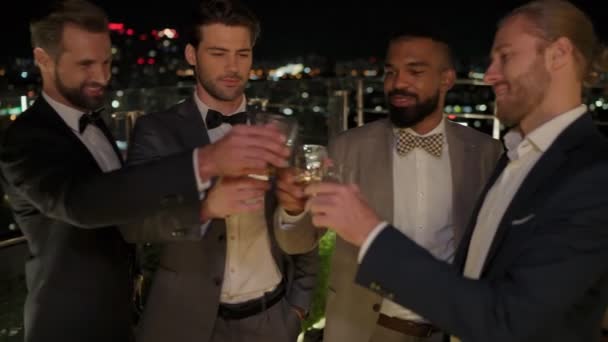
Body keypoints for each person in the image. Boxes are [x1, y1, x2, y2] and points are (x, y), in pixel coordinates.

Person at [305, 1, 608, 341]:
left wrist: (369, 233)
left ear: (559, 54)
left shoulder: (592, 176)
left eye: (505, 56)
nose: (490, 74)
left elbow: (509, 320)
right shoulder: (515, 155)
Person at [0, 1, 289, 342]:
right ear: (43, 59)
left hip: (126, 318)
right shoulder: (24, 139)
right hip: (70, 326)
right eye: (86, 64)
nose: (103, 76)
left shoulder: (95, 124)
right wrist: (206, 165)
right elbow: (81, 203)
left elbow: (130, 196)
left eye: (107, 62)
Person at [276, 28, 502, 342]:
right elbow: (300, 241)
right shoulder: (348, 147)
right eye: (391, 72)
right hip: (365, 331)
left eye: (415, 71)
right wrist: (292, 210)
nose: (398, 83)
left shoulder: (486, 153)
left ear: (447, 79)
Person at [121, 1, 317, 341]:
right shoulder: (157, 131)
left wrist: (296, 308)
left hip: (271, 320)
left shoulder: (280, 129)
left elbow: (302, 242)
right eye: (218, 53)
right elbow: (134, 224)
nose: (232, 66)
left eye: (242, 53)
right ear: (191, 55)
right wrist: (206, 207)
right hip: (184, 325)